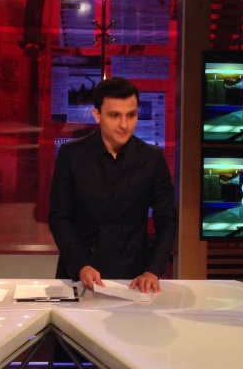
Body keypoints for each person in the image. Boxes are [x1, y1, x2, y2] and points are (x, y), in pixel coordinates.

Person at [48, 77, 178, 294]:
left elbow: (167, 220)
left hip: (133, 276)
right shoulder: (72, 155)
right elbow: (59, 217)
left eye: (131, 115)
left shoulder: (152, 158)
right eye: (115, 115)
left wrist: (153, 270)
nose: (124, 125)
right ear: (97, 114)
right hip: (80, 271)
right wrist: (81, 266)